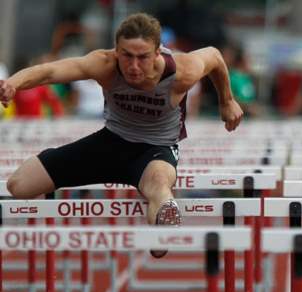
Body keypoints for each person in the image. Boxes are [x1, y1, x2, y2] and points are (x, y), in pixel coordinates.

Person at [0, 13, 243, 257]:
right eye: (126, 56)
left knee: (160, 186)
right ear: (116, 50)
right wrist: (13, 83)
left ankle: (163, 227)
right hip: (110, 142)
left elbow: (213, 55)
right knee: (19, 185)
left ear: (158, 52)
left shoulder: (181, 71)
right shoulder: (104, 64)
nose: (134, 66)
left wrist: (227, 101)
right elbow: (49, 71)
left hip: (155, 150)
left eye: (142, 57)